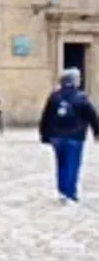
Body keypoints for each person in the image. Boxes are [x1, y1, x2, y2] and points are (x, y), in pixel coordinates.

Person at [39, 67, 99, 203]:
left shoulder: (54, 97)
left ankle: (62, 191)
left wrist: (44, 134)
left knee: (61, 163)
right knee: (72, 164)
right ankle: (70, 192)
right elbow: (92, 115)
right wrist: (96, 132)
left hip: (56, 136)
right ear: (75, 81)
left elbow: (46, 117)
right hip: (75, 136)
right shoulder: (81, 97)